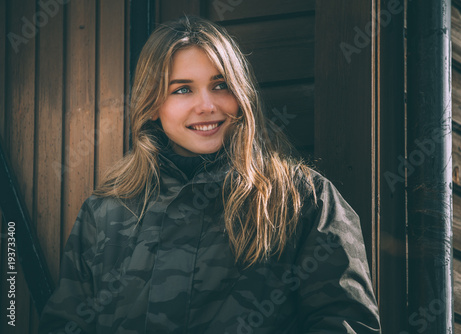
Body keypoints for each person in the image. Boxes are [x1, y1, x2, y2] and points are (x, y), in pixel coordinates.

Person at [39, 15, 381, 334]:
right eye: (182, 89)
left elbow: (345, 323)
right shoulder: (105, 212)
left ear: (241, 94)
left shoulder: (304, 200)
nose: (207, 105)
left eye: (220, 85)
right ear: (153, 105)